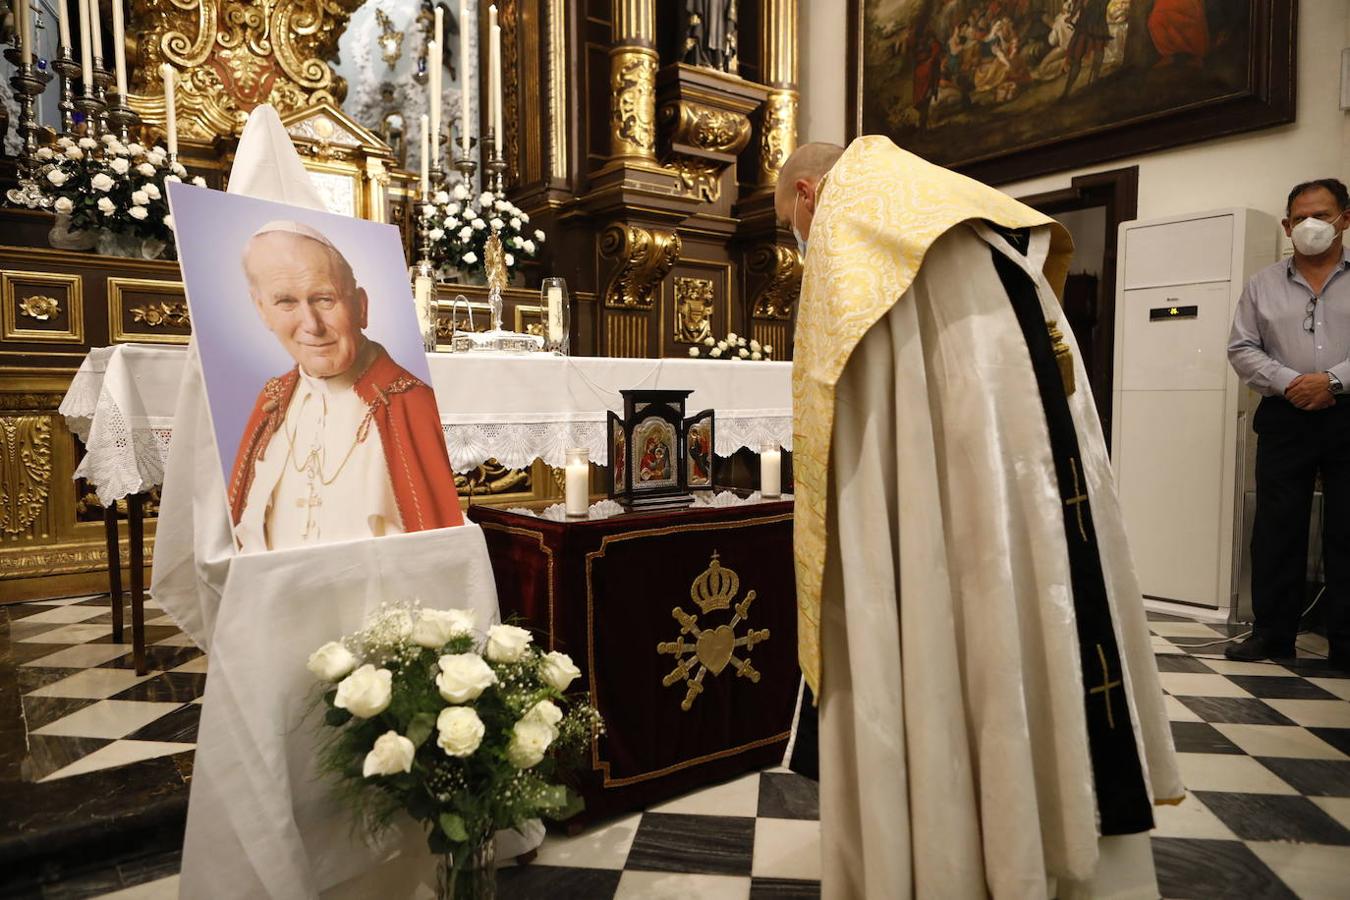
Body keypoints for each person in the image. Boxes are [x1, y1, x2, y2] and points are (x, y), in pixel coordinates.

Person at [777, 138, 1182, 899]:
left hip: (949, 518)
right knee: (1028, 623)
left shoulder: (855, 228)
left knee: (951, 630)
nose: (803, 243)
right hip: (1031, 494)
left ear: (807, 194)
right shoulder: (966, 215)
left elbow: (870, 453)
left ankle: (950, 854)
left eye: (792, 228)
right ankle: (1045, 838)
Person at [229, 220, 463, 552]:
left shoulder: (411, 403)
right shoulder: (272, 401)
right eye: (285, 303)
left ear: (361, 306)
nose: (311, 325)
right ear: (262, 311)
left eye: (324, 299)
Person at [1226, 179, 1350, 670]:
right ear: (1286, 226)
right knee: (1277, 527)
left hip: (1348, 412)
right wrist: (1293, 381)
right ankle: (1272, 635)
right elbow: (1241, 348)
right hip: (1284, 412)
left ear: (1345, 217)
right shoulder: (1262, 284)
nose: (1311, 225)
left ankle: (1346, 640)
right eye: (1300, 218)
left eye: (1322, 214)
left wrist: (1333, 382)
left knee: (1347, 528)